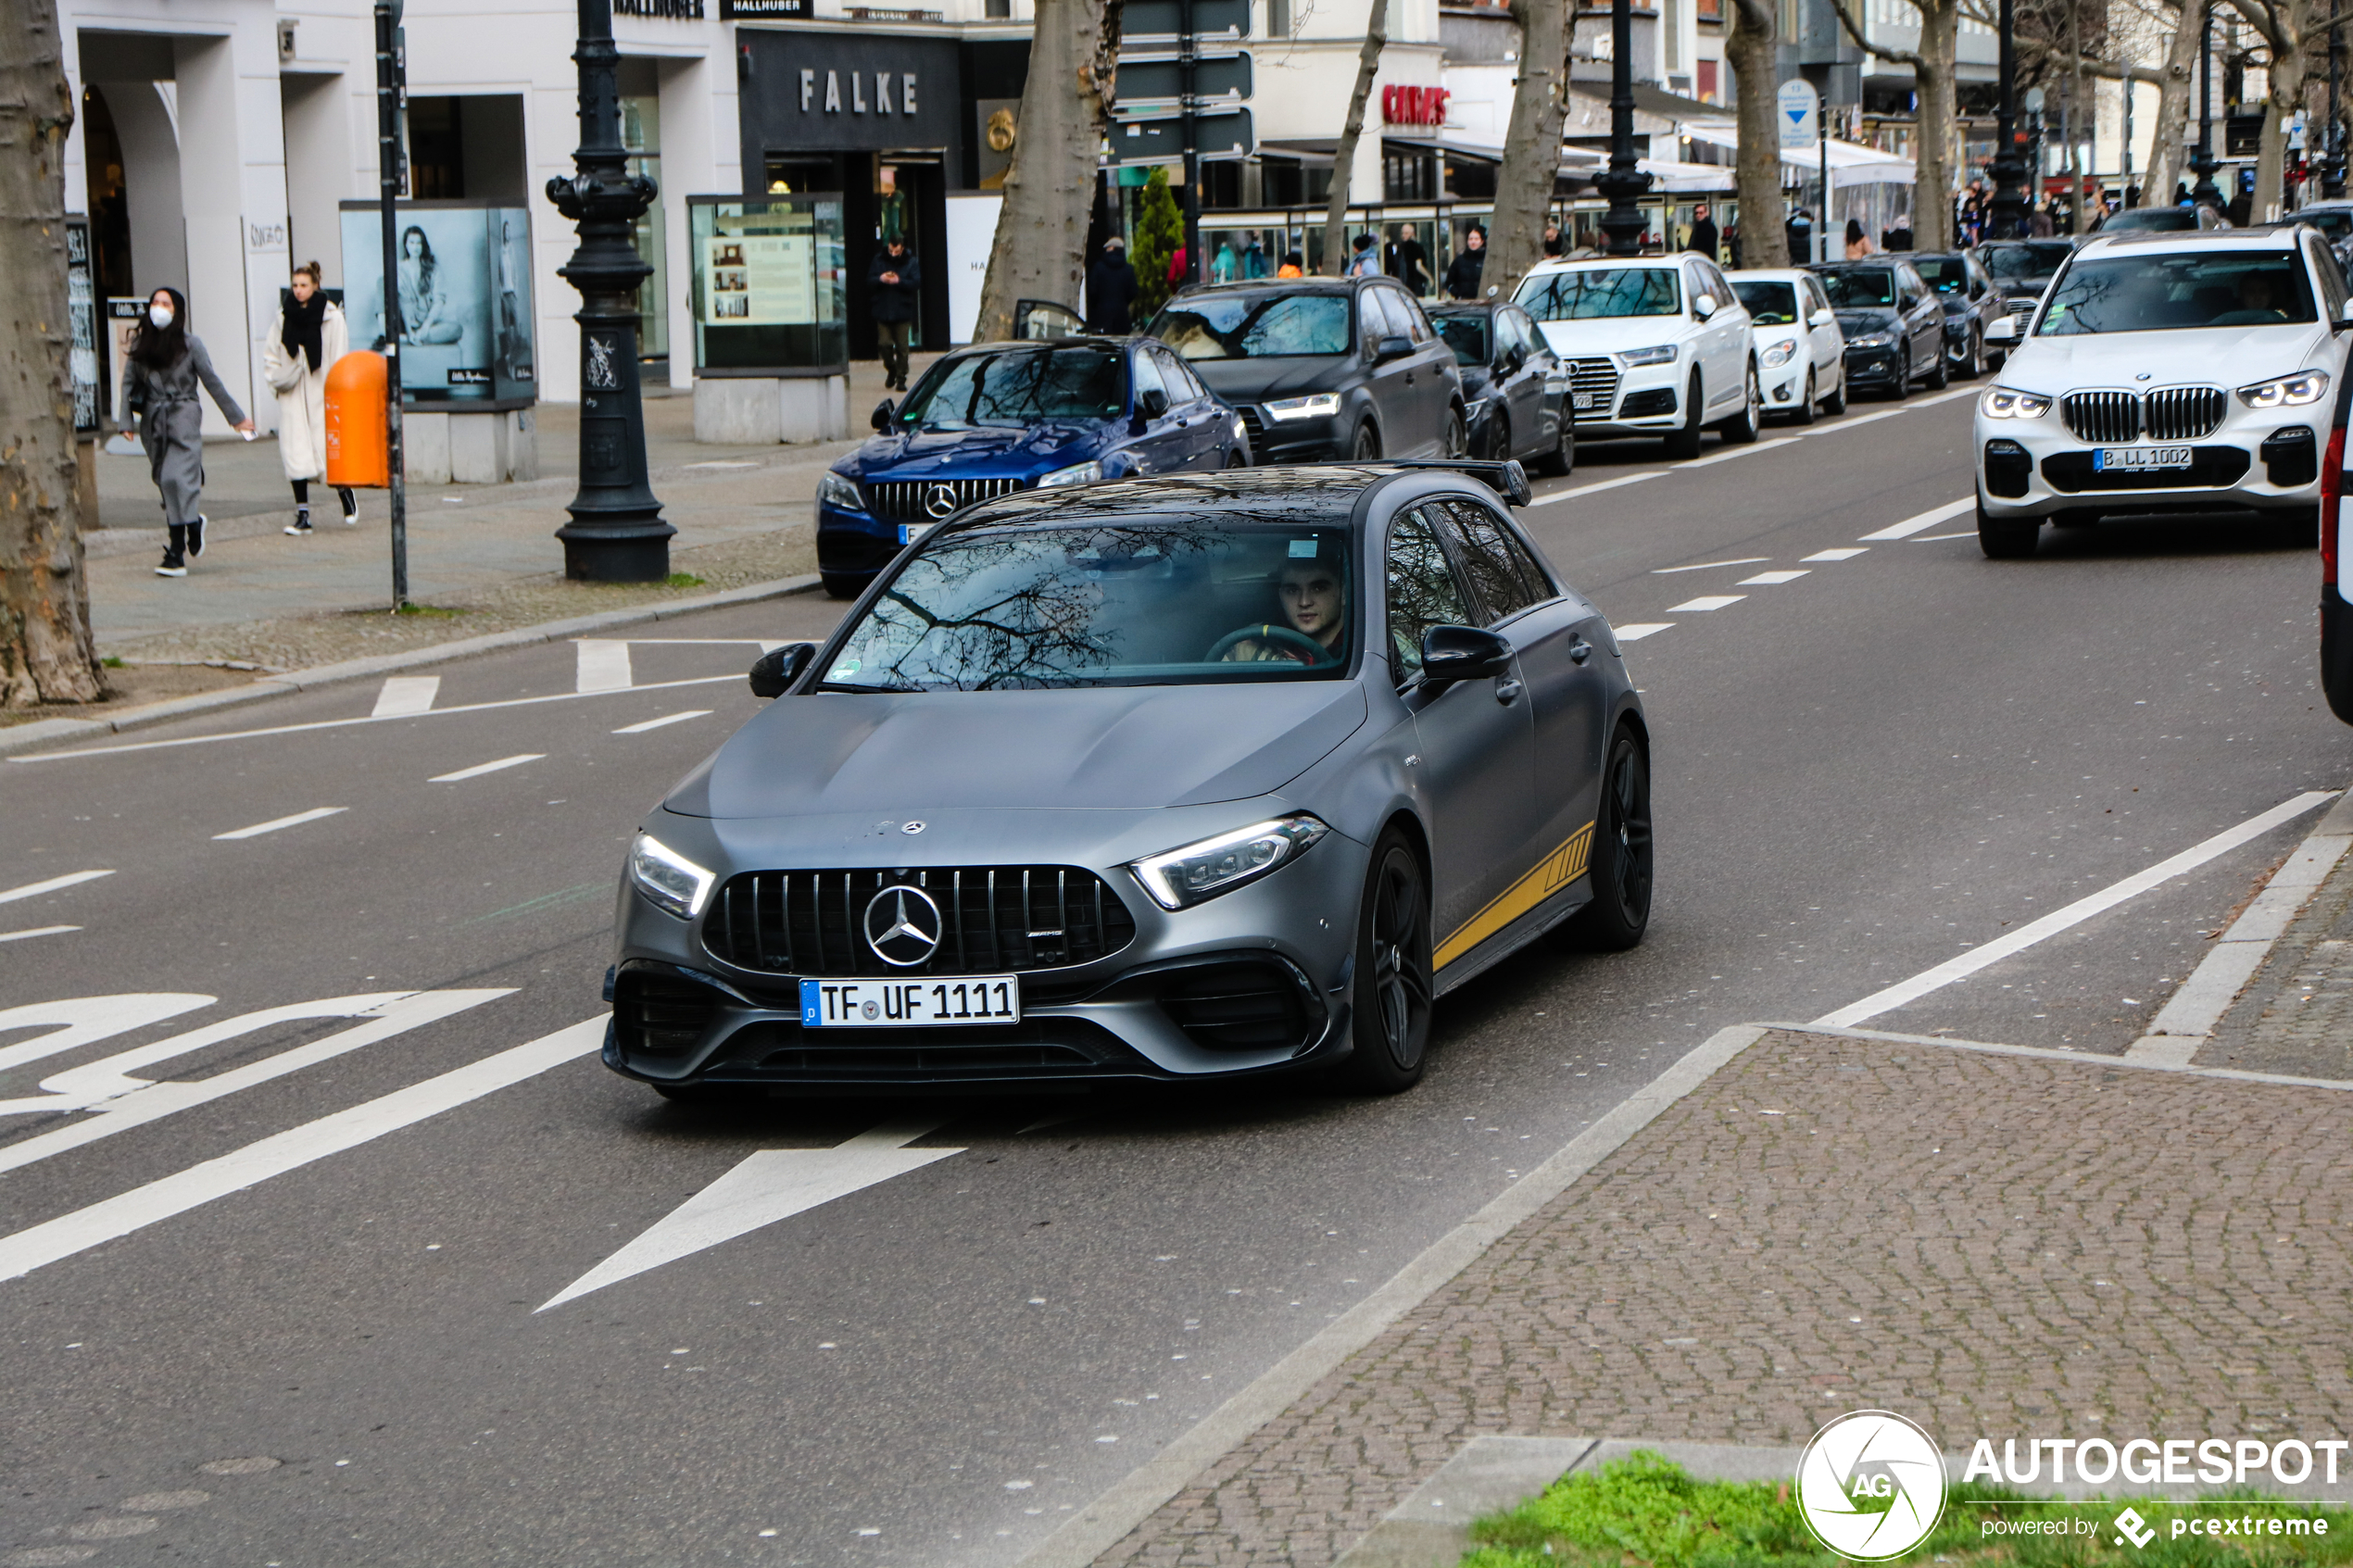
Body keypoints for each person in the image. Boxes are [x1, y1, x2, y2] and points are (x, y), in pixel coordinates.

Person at [121, 285, 253, 578]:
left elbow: (212, 382)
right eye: (155, 302)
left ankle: (176, 552)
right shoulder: (141, 344)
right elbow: (128, 383)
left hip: (184, 415)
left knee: (177, 478)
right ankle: (192, 524)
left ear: (177, 311)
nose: (158, 307)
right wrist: (125, 422)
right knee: (165, 480)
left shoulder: (192, 344)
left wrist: (237, 418)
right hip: (153, 420)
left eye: (165, 303)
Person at [261, 260, 358, 536]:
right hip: (292, 391)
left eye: (304, 285)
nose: (299, 291)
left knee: (328, 448)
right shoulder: (283, 317)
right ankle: (303, 514)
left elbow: (339, 357)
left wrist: (337, 391)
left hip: (321, 392)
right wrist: (277, 381)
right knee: (294, 452)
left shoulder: (332, 319)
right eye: (295, 286)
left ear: (315, 286)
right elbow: (271, 353)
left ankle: (344, 492)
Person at [1218, 548, 1347, 664]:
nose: (1304, 602)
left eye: (1318, 589)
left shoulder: (1362, 647)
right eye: (1292, 591)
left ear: (1344, 594)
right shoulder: (1249, 646)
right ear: (1281, 596)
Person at [867, 234, 921, 392]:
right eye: (891, 250)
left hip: (902, 309)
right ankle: (891, 368)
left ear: (902, 248)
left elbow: (916, 282)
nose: (893, 253)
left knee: (903, 348)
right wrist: (880, 279)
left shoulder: (911, 262)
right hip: (883, 309)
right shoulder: (879, 260)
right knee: (884, 345)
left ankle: (901, 378)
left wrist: (900, 282)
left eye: (896, 251)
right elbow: (869, 281)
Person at [1085, 236, 1138, 334]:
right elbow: (1133, 291)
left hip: (1101, 317)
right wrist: (1123, 302)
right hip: (1122, 317)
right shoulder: (1128, 269)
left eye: (1107, 248)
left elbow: (1092, 291)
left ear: (1111, 248)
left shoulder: (1098, 267)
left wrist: (1097, 305)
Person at [1444, 226, 1487, 299]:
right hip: (1463, 301)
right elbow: (1449, 282)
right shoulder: (1459, 260)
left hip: (1482, 301)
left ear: (1482, 241)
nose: (1473, 242)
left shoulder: (1486, 260)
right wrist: (1457, 293)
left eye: (1476, 239)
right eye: (1471, 239)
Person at [1385, 225, 1429, 294]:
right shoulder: (1402, 248)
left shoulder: (1402, 248)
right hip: (1411, 283)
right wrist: (1429, 277)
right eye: (1402, 233)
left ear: (1412, 234)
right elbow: (1419, 266)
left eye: (1406, 233)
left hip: (1409, 283)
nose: (1403, 235)